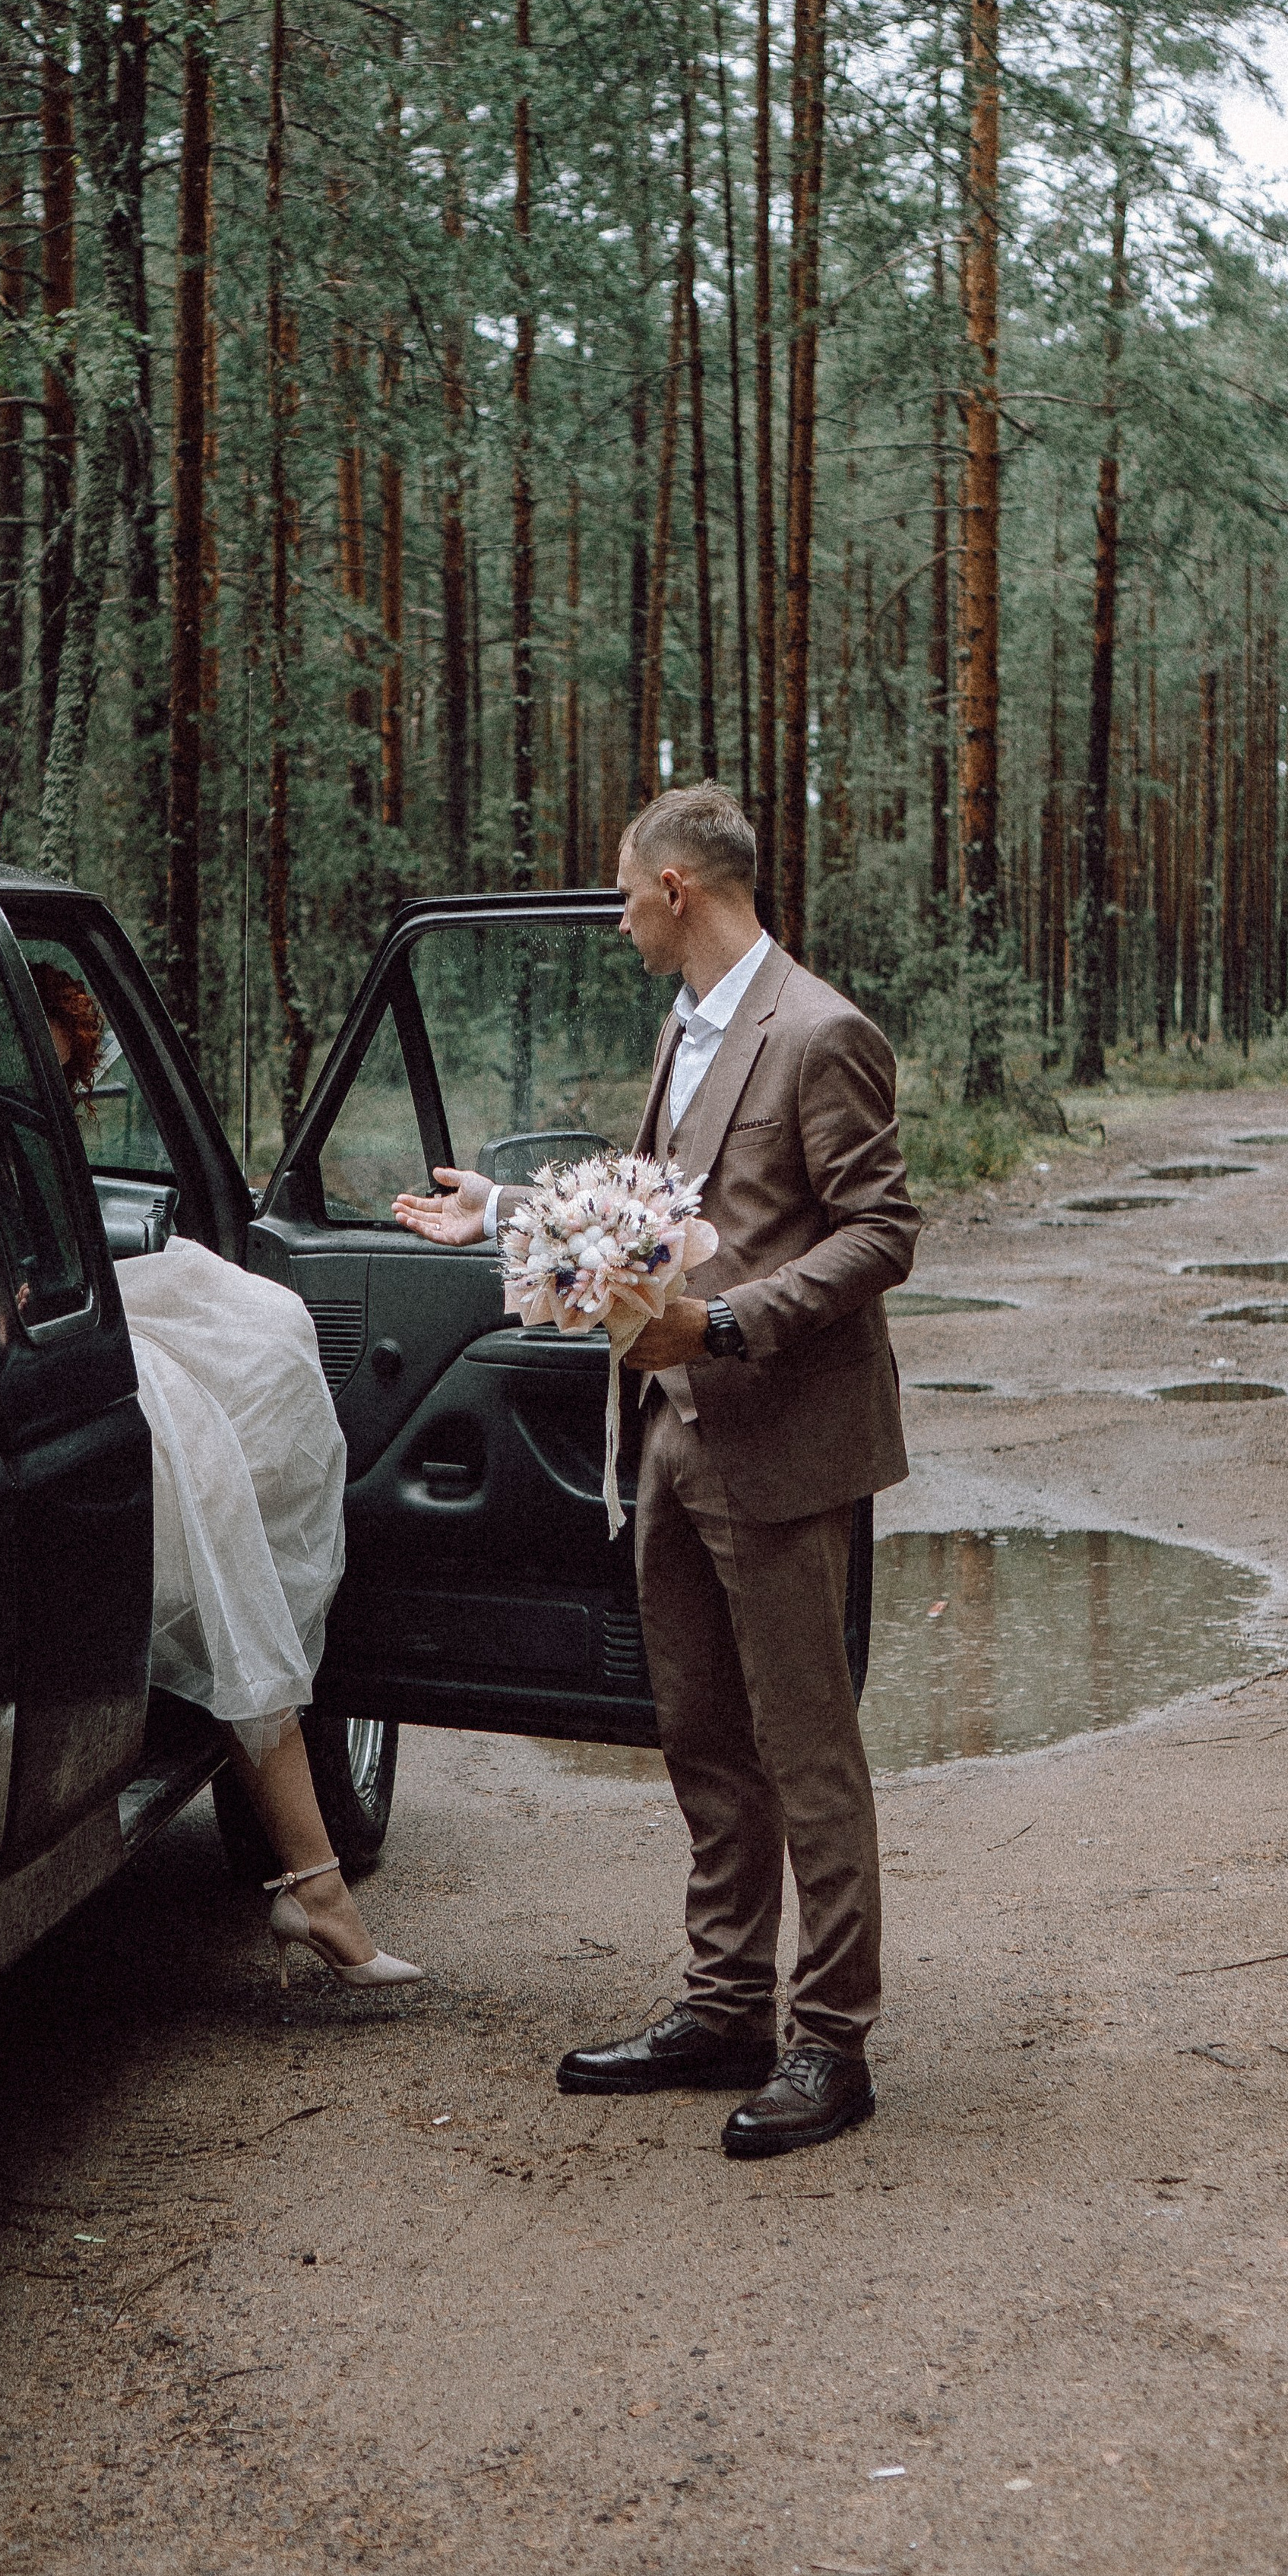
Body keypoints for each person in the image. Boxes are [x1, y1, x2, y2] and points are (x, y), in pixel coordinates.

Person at [391, 788, 916, 2156]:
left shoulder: (820, 1030)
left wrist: (731, 1324)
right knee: (701, 1737)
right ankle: (726, 2004)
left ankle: (832, 2042)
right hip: (670, 1438)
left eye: (625, 893)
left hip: (786, 1442)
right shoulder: (684, 1027)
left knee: (807, 1751)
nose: (617, 915)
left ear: (679, 888)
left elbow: (880, 1233)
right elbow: (662, 1210)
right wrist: (504, 1213)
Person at [29, 964, 419, 1995]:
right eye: (58, 1076)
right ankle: (317, 1889)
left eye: (72, 1079)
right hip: (39, 1347)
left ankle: (317, 1885)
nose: (66, 1096)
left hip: (69, 1320)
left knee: (270, 1329)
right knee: (210, 1485)